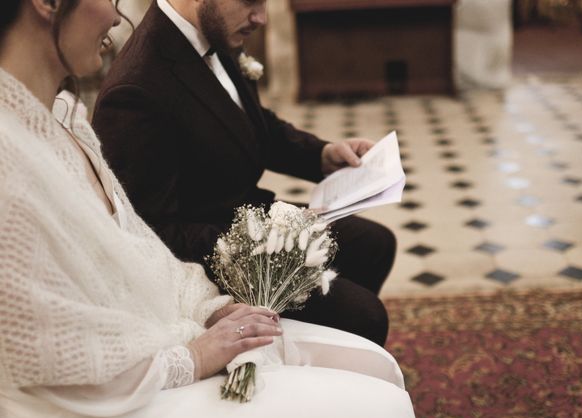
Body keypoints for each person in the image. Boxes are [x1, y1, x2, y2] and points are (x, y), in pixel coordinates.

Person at [0, 0, 430, 418]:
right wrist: (195, 352)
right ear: (45, 4)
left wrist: (209, 307)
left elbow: (134, 241)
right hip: (110, 383)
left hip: (194, 279)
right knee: (373, 396)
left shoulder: (66, 116)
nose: (118, 16)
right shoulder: (125, 92)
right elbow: (65, 334)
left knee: (373, 266)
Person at [91, 0, 396, 347]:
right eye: (250, 1)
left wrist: (321, 155)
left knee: (375, 244)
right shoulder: (135, 89)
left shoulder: (211, 32)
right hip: (214, 260)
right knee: (366, 314)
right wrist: (270, 239)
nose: (261, 18)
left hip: (248, 217)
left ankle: (337, 351)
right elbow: (152, 232)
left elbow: (249, 119)